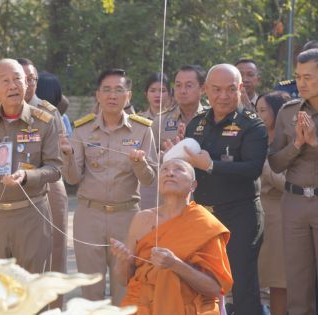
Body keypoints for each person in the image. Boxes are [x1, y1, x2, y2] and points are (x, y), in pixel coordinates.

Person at [170, 64, 267, 315]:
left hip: (240, 214)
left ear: (240, 89)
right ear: (205, 90)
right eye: (216, 90)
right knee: (200, 281)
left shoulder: (252, 125)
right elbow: (191, 167)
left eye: (230, 89)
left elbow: (253, 168)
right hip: (203, 214)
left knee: (242, 283)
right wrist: (177, 156)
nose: (223, 96)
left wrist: (211, 165)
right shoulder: (197, 124)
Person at [60, 68, 158, 304]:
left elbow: (149, 179)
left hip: (126, 217)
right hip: (89, 216)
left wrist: (140, 163)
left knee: (124, 286)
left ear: (129, 96)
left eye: (118, 90)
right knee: (90, 288)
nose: (112, 95)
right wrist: (66, 156)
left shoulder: (143, 129)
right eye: (107, 90)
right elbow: (73, 178)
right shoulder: (83, 129)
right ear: (98, 95)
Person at [0, 58, 61, 273]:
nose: (13, 86)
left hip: (32, 214)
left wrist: (27, 177)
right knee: (0, 290)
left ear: (27, 84)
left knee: (31, 291)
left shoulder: (43, 121)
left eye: (18, 79)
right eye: (5, 80)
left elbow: (55, 169)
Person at [111, 159, 233, 314]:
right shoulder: (142, 219)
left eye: (178, 169)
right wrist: (123, 261)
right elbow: (123, 280)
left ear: (193, 185)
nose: (170, 173)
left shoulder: (204, 224)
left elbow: (216, 289)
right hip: (144, 308)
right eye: (164, 169)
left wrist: (175, 264)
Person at [268, 48, 318, 315]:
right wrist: (298, 144)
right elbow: (275, 162)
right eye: (298, 76)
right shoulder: (288, 112)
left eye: (308, 77)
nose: (302, 83)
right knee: (297, 284)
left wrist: (315, 143)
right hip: (294, 203)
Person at [17, 58, 69, 282]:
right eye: (22, 78)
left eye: (32, 79)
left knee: (53, 256)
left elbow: (57, 158)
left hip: (48, 185)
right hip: (10, 188)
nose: (28, 84)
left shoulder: (49, 112)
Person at [255, 91, 290, 315]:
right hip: (253, 212)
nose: (257, 115)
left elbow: (287, 183)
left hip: (279, 215)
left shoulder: (289, 141)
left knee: (279, 280)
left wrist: (264, 164)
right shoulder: (254, 137)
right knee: (249, 278)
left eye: (262, 110)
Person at [151, 65, 207, 151]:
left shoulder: (212, 118)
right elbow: (151, 158)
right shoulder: (160, 121)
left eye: (188, 86)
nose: (182, 91)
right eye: (178, 85)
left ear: (203, 89)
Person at [139, 72, 172, 210]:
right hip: (147, 182)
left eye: (162, 90)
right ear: (146, 93)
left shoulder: (177, 119)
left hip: (171, 177)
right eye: (152, 90)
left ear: (170, 94)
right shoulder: (137, 120)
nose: (157, 95)